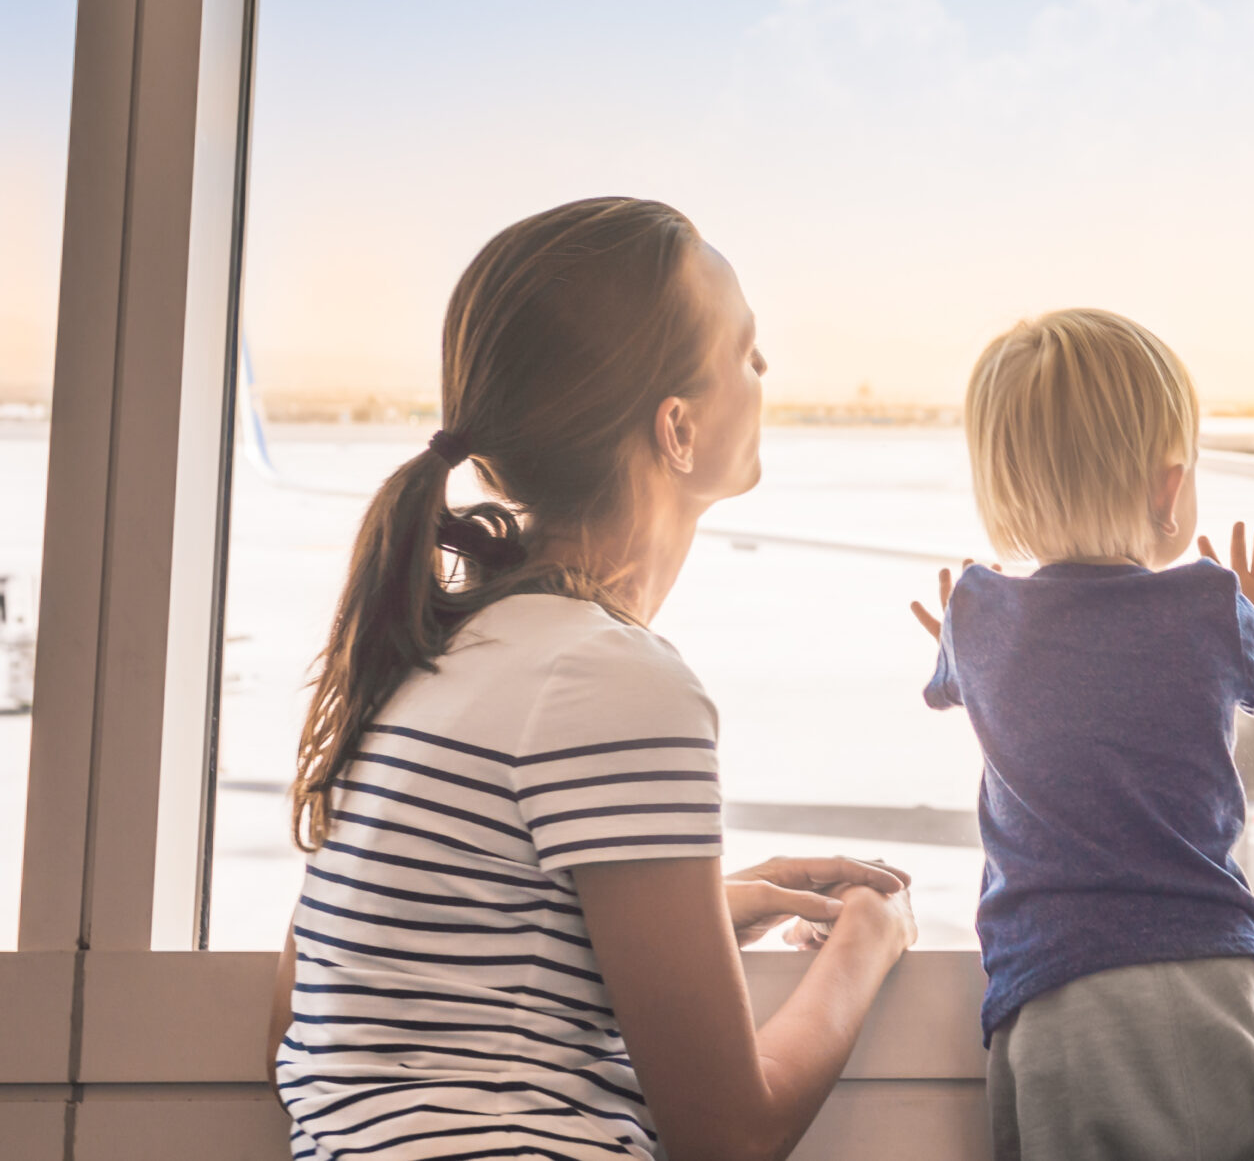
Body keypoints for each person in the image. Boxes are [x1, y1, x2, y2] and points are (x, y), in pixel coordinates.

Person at [268, 197, 916, 1161]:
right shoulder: (612, 684)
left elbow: (339, 994)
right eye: (746, 350)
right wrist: (872, 937)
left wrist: (709, 903)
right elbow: (730, 1133)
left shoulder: (434, 655)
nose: (768, 370)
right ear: (678, 431)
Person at [908, 308, 1254, 1161]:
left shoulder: (976, 612)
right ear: (1170, 490)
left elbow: (946, 690)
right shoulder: (1209, 602)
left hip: (1055, 992)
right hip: (1217, 974)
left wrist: (952, 636)